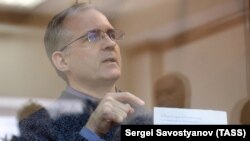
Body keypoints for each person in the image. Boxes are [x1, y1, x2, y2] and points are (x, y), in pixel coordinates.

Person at [11, 3, 150, 141]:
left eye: (111, 34)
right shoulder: (36, 129)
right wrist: (91, 132)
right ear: (62, 61)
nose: (110, 44)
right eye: (92, 37)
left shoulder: (146, 119)